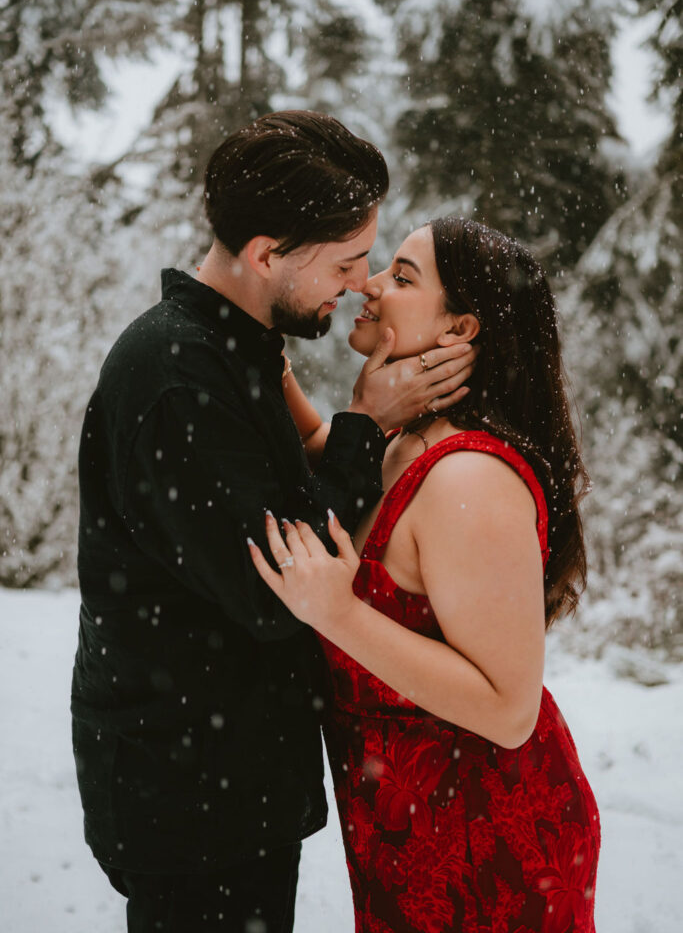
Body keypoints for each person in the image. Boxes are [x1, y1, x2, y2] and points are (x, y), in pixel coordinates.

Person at [71, 113, 476, 933]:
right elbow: (279, 585)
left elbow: (288, 504)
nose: (361, 283)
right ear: (265, 255)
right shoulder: (179, 379)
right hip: (192, 803)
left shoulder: (231, 350)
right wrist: (364, 418)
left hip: (221, 782)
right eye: (346, 262)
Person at [251, 216, 601, 932]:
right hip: (411, 828)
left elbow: (509, 711)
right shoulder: (408, 441)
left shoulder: (467, 478)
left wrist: (339, 614)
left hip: (484, 840)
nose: (370, 283)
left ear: (459, 329)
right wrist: (262, 353)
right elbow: (327, 449)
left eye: (403, 278)